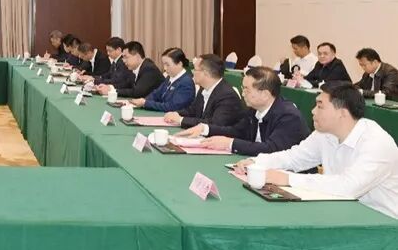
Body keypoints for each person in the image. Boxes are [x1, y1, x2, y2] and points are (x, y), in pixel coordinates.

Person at [234, 83, 398, 219]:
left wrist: (288, 178)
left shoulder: (376, 143)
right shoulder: (325, 133)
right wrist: (258, 162)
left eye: (320, 106)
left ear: (342, 113)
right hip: (343, 211)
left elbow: (348, 187)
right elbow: (295, 157)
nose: (313, 111)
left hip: (384, 222)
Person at [176, 66, 309, 155]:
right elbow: (237, 131)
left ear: (265, 94)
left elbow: (271, 149)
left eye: (247, 89)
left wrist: (230, 144)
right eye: (242, 88)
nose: (243, 93)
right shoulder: (253, 110)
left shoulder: (288, 116)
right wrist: (205, 129)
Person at [164, 54, 246, 128]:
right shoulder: (203, 88)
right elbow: (193, 110)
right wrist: (176, 114)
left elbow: (215, 123)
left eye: (195, 69)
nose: (192, 73)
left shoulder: (227, 95)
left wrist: (181, 120)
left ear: (206, 73)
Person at [131, 48, 196, 113]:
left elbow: (172, 107)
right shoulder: (169, 77)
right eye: (164, 64)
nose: (165, 68)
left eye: (167, 65)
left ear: (179, 64)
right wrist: (143, 100)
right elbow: (156, 94)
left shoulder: (186, 82)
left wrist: (146, 103)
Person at [96, 41, 161, 98]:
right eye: (123, 57)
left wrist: (112, 91)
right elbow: (126, 84)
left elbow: (137, 92)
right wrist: (109, 87)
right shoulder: (133, 69)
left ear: (137, 56)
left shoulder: (149, 68)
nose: (123, 61)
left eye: (126, 57)